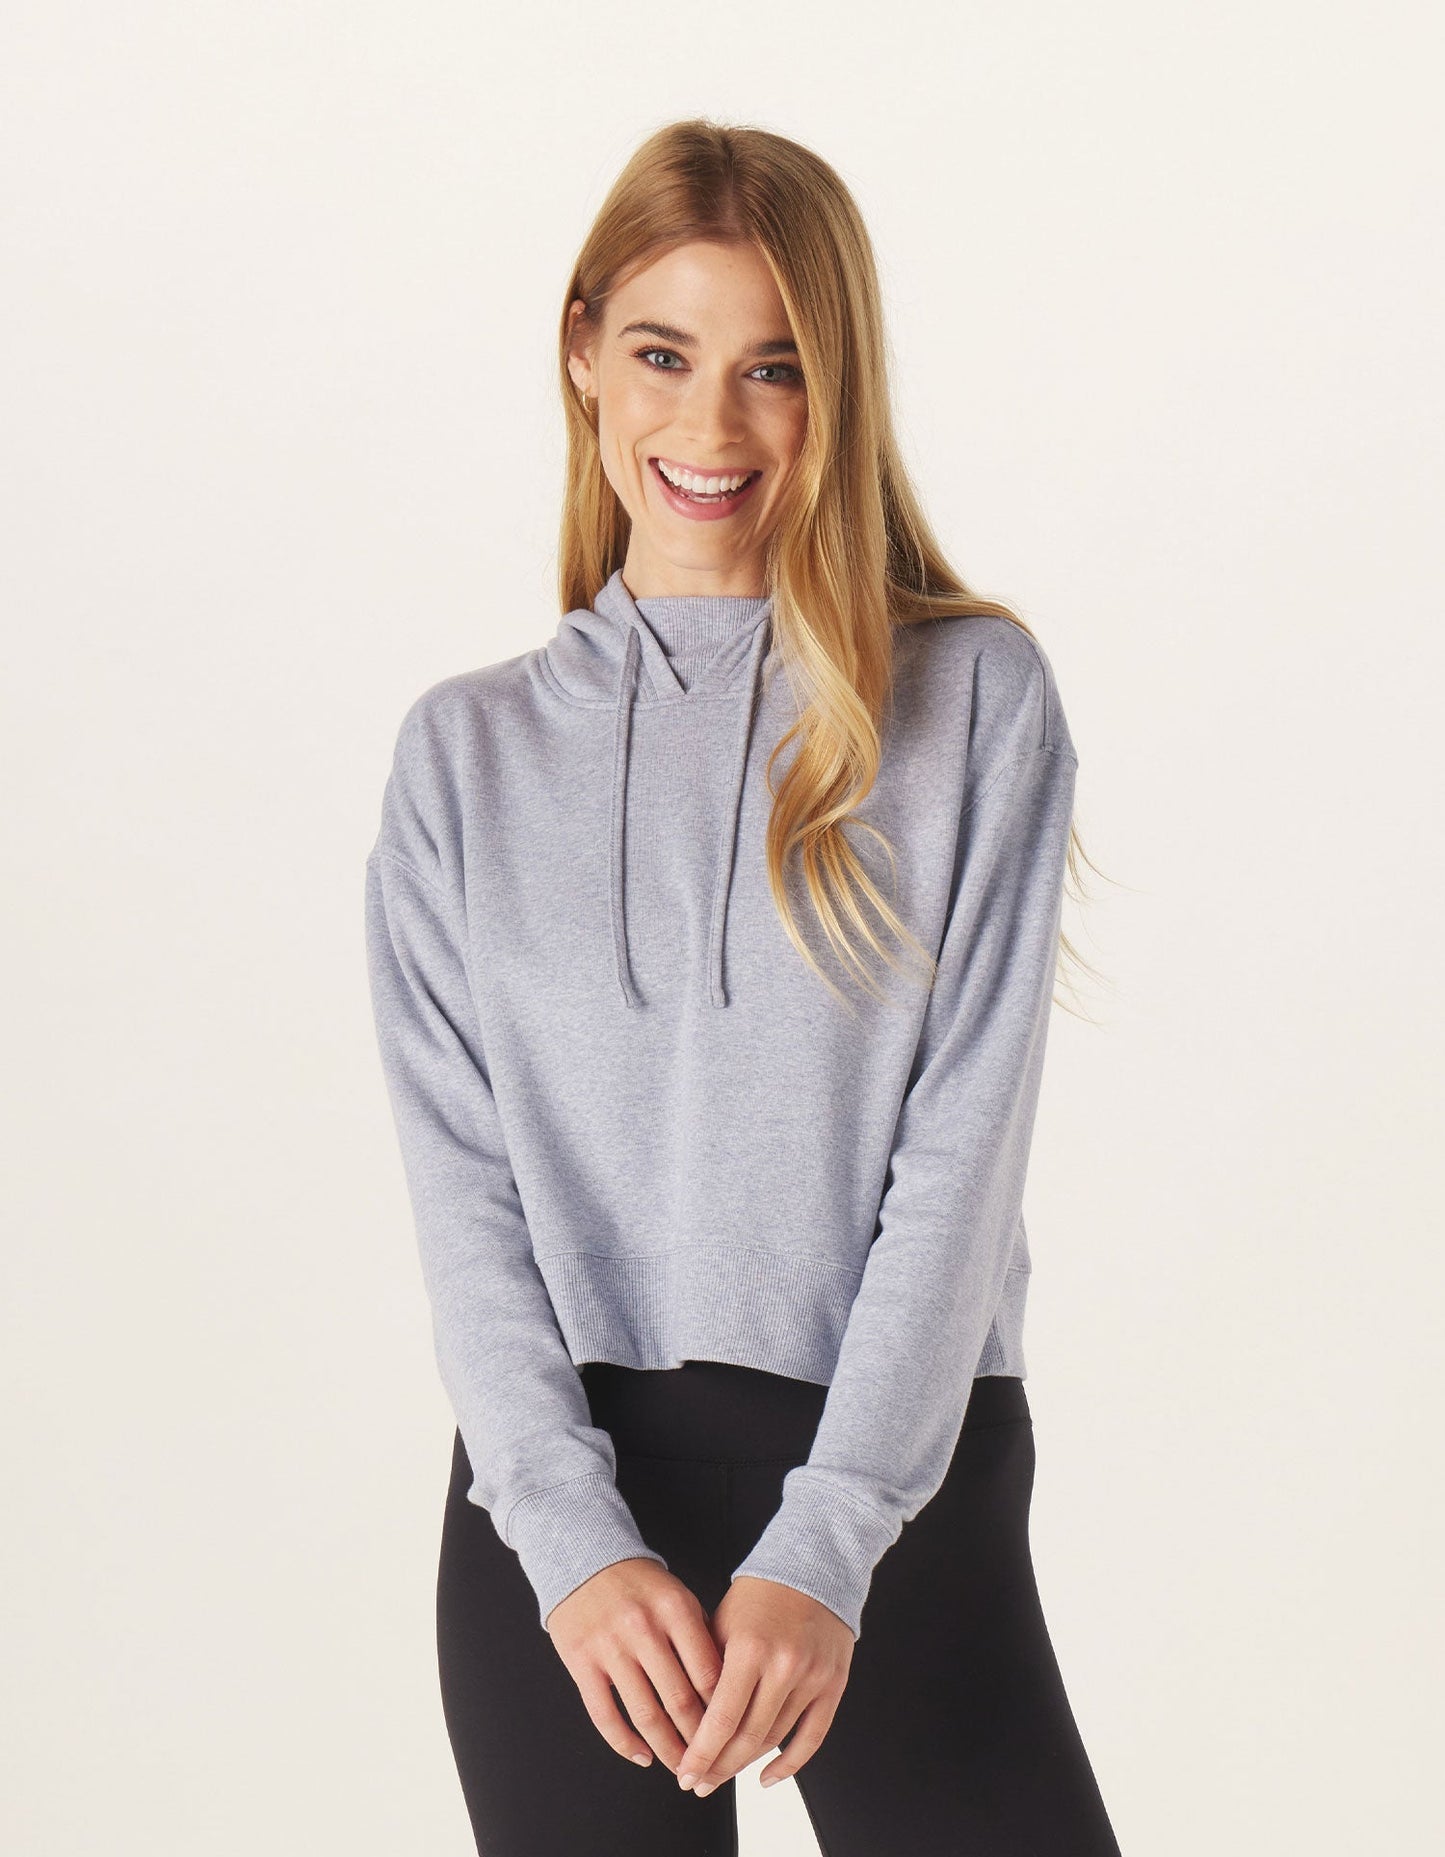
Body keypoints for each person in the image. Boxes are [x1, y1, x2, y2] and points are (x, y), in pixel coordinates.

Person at [364, 118, 1122, 1857]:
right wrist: (570, 1544)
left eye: (773, 368)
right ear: (580, 351)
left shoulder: (971, 701)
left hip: (896, 1478)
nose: (710, 425)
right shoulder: (462, 757)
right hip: (566, 1529)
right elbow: (465, 1200)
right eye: (662, 354)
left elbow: (960, 1155)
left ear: (837, 387)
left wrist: (830, 1537)